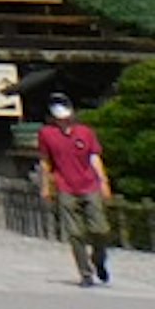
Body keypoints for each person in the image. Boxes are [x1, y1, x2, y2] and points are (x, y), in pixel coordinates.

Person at [39, 90, 116, 287]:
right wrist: (46, 186)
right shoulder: (47, 134)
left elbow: (94, 157)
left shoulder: (85, 132)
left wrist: (104, 181)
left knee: (100, 229)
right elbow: (46, 162)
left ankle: (98, 260)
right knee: (75, 233)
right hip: (65, 186)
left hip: (89, 184)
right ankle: (85, 273)